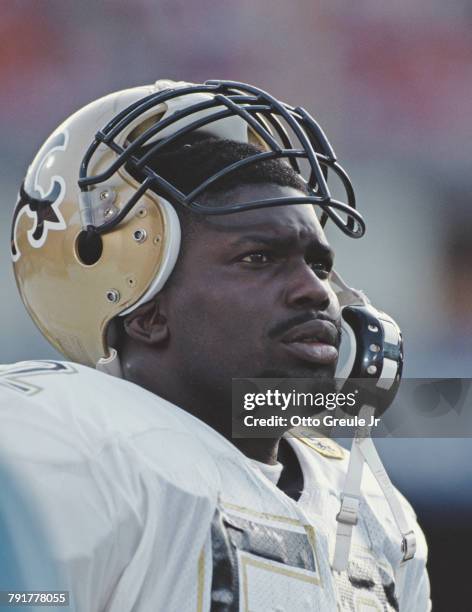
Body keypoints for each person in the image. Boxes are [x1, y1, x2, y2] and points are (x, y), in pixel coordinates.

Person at [2, 80, 430, 610]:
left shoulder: (375, 511)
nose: (317, 291)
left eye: (319, 265)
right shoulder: (60, 446)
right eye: (259, 258)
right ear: (147, 311)